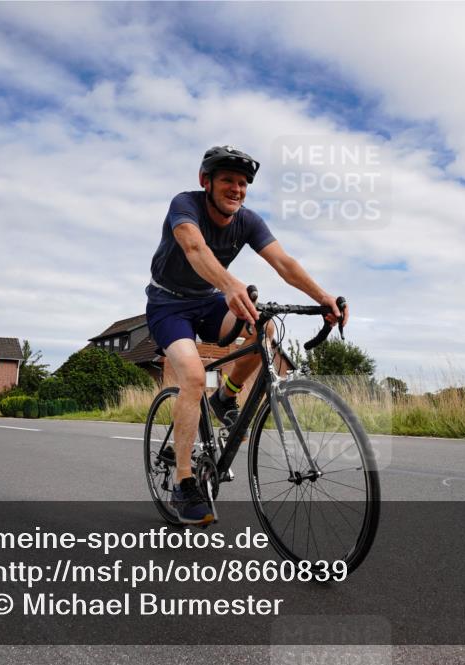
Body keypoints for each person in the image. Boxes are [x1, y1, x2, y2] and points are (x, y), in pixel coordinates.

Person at [146, 145, 347, 524]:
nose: (236, 189)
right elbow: (193, 247)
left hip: (208, 302)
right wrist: (229, 284)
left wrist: (323, 298)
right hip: (168, 305)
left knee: (265, 327)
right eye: (227, 181)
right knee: (191, 376)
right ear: (206, 182)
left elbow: (284, 262)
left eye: (243, 184)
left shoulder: (248, 221)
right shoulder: (184, 205)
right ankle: (183, 482)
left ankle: (225, 397)